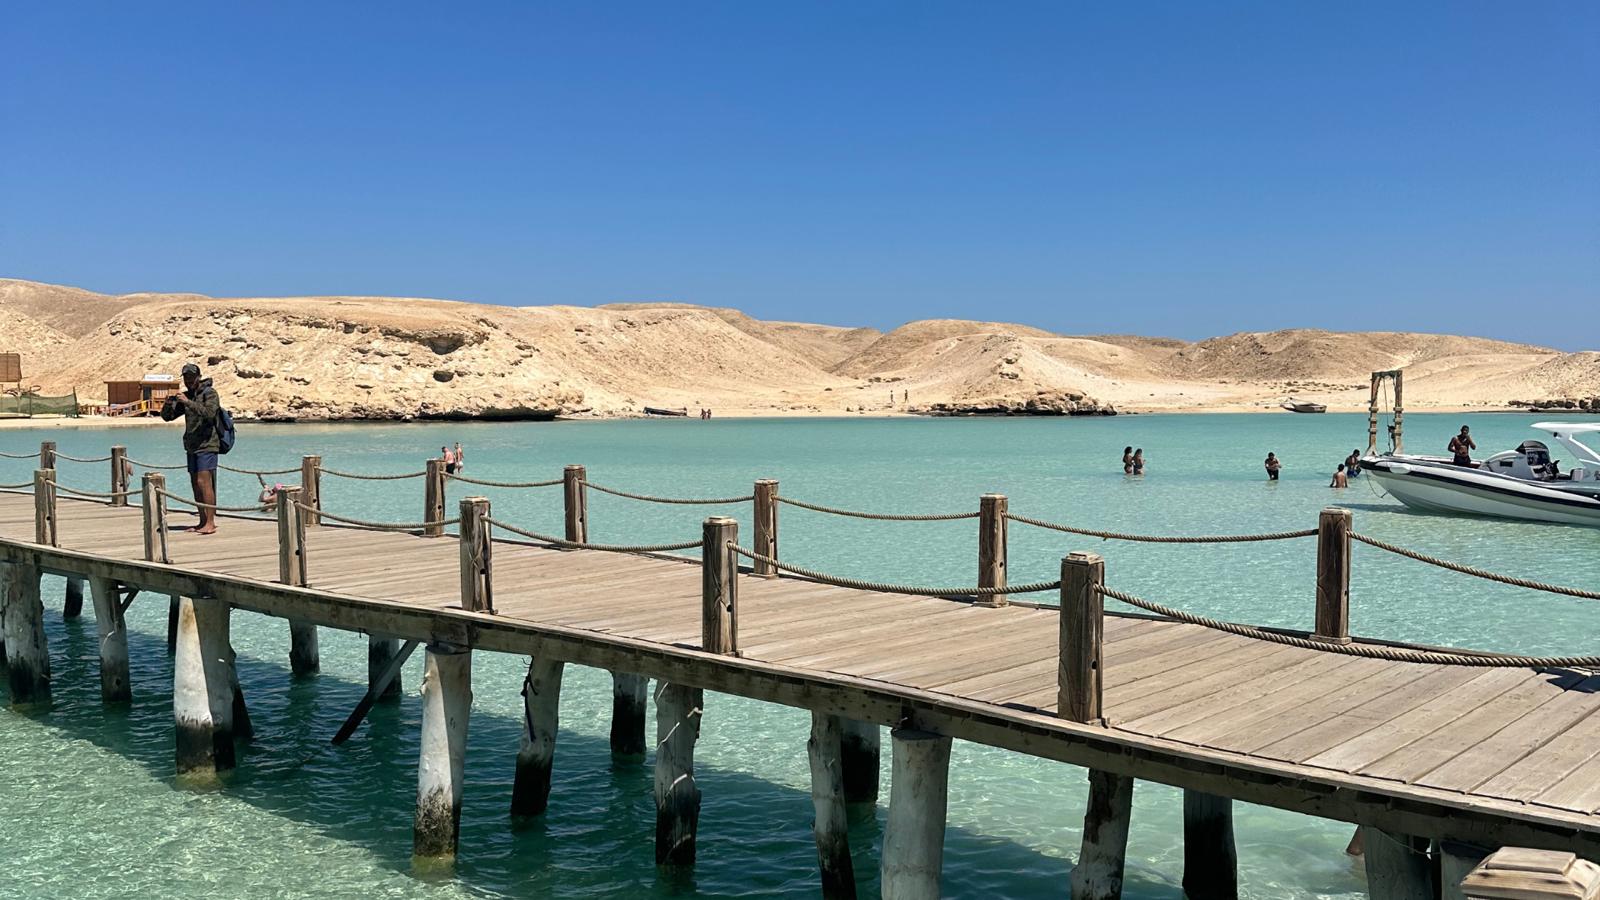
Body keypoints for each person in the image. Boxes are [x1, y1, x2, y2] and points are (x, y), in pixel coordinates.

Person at [159, 362, 222, 534]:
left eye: (191, 377)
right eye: (186, 377)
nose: (188, 381)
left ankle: (210, 522)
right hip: (191, 445)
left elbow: (210, 413)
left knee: (204, 482)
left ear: (199, 377)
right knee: (195, 483)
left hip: (208, 444)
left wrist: (188, 402)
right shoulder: (188, 396)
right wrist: (168, 404)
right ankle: (202, 521)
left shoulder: (210, 393)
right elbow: (167, 417)